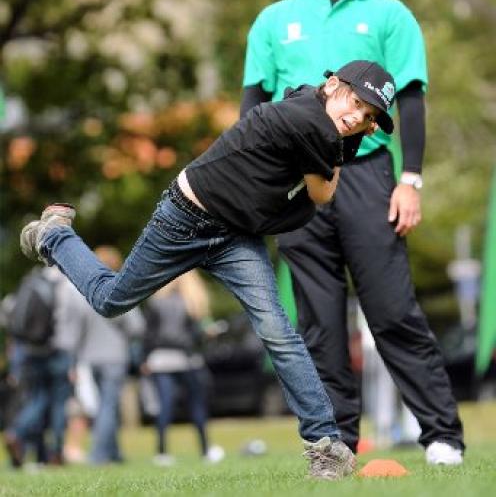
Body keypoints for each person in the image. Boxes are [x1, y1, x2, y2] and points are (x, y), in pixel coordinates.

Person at [19, 59, 396, 481]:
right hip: (183, 220)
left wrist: (343, 138)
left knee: (278, 332)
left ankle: (328, 447)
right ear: (332, 83)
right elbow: (322, 193)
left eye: (367, 117)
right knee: (109, 301)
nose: (356, 118)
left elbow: (317, 161)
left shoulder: (312, 104)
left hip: (235, 236)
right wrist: (346, 146)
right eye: (355, 102)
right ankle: (55, 235)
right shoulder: (313, 125)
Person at [240, 0, 464, 465]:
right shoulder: (274, 19)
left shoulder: (388, 14)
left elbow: (410, 98)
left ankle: (441, 436)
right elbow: (253, 104)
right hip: (298, 184)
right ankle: (336, 442)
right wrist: (258, 187)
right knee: (319, 322)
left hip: (368, 176)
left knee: (392, 310)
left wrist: (409, 178)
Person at [64, 246, 145, 465]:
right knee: (109, 406)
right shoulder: (119, 288)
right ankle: (99, 455)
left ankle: (114, 453)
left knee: (104, 406)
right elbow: (137, 327)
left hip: (89, 358)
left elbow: (74, 330)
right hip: (114, 357)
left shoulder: (84, 291)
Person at [142, 270, 223, 466]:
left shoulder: (156, 302)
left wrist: (145, 359)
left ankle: (161, 453)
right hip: (186, 359)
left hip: (160, 359)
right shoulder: (192, 303)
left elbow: (148, 334)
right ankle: (205, 450)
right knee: (196, 405)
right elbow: (194, 337)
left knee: (165, 406)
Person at [3, 266, 76, 467]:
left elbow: (8, 312)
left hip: (32, 350)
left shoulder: (31, 281)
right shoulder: (65, 285)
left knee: (37, 399)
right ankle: (56, 453)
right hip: (58, 351)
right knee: (59, 404)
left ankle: (16, 433)